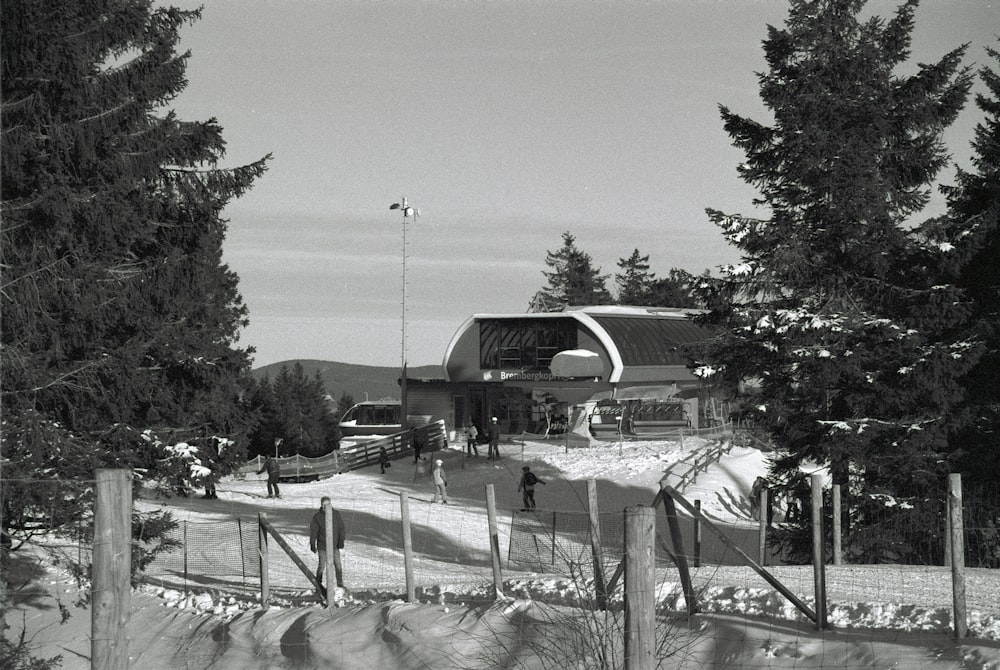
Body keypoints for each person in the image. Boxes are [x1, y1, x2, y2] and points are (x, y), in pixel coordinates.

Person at [309, 496, 346, 593]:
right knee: (321, 565)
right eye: (323, 505)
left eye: (327, 505)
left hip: (334, 545)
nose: (325, 507)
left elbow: (341, 528)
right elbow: (314, 531)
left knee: (338, 564)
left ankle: (340, 584)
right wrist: (312, 543)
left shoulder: (336, 514)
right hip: (322, 546)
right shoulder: (317, 517)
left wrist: (341, 541)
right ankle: (318, 585)